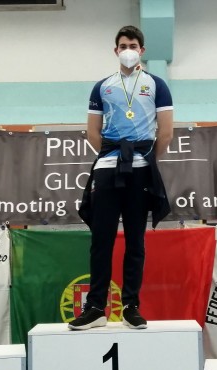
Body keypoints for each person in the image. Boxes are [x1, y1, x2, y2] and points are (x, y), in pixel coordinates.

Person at [70, 25, 173, 331]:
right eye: (123, 45)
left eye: (133, 45)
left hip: (140, 168)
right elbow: (92, 131)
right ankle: (96, 308)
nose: (128, 50)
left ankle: (130, 306)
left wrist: (148, 160)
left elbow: (166, 131)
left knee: (135, 241)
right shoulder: (102, 87)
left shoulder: (157, 85)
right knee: (101, 240)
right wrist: (111, 154)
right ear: (116, 50)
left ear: (142, 50)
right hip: (107, 167)